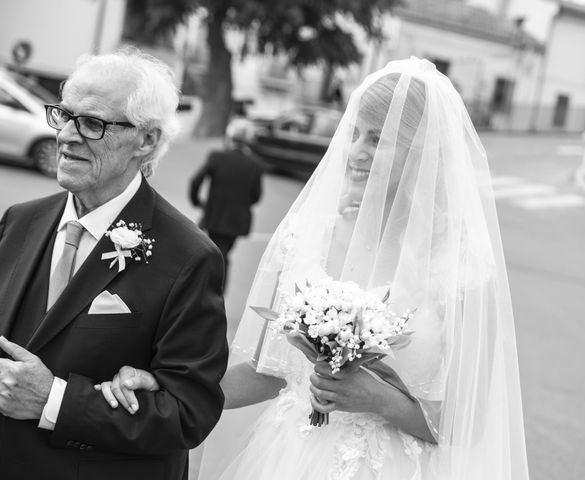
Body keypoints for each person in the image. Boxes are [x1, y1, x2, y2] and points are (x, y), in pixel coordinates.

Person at [99, 57, 529, 479]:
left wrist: (380, 399)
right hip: (290, 457)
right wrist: (171, 387)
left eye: (378, 139)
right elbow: (269, 374)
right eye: (355, 134)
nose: (355, 152)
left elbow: (468, 425)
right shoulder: (309, 236)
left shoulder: (460, 263)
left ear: (422, 154)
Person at [0, 48, 228, 480]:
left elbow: (189, 413)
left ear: (147, 141)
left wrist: (55, 401)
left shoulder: (190, 257)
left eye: (92, 123)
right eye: (64, 115)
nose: (66, 136)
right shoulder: (21, 219)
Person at [189, 127, 263, 292]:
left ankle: (210, 290)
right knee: (221, 253)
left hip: (214, 215)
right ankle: (216, 290)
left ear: (231, 139)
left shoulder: (218, 157)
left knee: (214, 253)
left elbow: (196, 181)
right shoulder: (255, 164)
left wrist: (197, 202)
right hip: (236, 221)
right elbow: (256, 196)